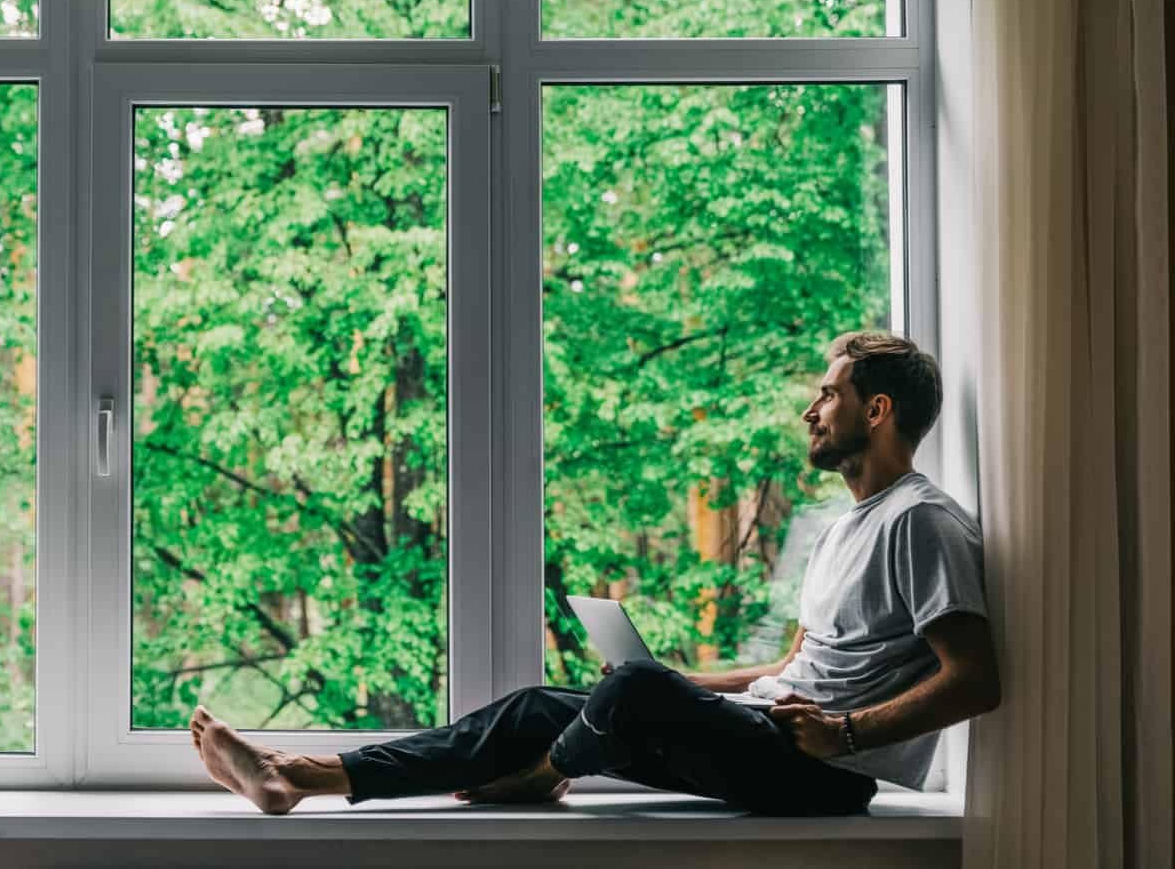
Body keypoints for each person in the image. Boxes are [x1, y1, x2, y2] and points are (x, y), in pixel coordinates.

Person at [188, 331, 1001, 816]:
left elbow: (975, 680)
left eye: (828, 394)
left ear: (879, 410)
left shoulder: (920, 522)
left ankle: (546, 775)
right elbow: (791, 668)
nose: (810, 410)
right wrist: (682, 682)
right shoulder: (839, 526)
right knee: (542, 701)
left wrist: (846, 733)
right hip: (770, 734)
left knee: (630, 694)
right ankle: (294, 777)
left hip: (826, 773)